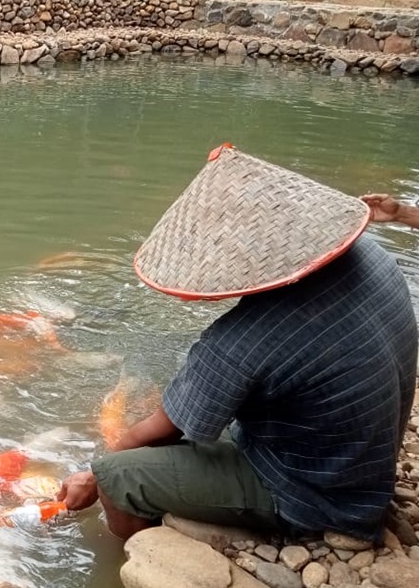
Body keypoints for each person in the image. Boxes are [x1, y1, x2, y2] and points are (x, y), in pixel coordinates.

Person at [59, 145, 418, 542]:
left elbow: (150, 436)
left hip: (318, 496)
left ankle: (129, 551)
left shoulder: (241, 341)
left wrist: (93, 474)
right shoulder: (373, 254)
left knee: (119, 477)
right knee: (200, 409)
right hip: (362, 459)